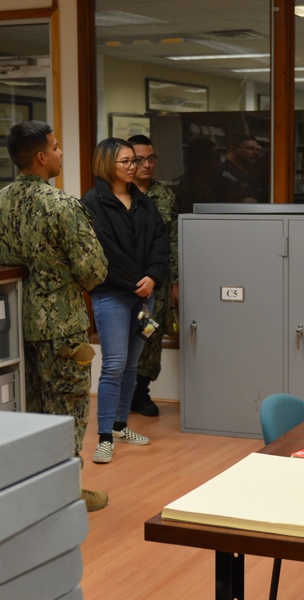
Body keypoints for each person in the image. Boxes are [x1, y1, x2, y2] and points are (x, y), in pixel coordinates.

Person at [0, 120, 110, 511]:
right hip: (60, 327)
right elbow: (94, 270)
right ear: (40, 157)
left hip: (11, 325)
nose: (59, 153)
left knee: (26, 407)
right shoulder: (63, 206)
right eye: (55, 147)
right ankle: (67, 489)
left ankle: (33, 485)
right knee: (67, 408)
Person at [81, 138, 168, 464]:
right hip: (114, 295)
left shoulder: (145, 203)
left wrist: (153, 278)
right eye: (126, 162)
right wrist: (136, 282)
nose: (134, 167)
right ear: (107, 164)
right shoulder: (92, 203)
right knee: (114, 365)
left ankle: (120, 425)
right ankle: (104, 437)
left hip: (145, 295)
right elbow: (102, 253)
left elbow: (160, 243)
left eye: (135, 160)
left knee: (133, 364)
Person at [126, 134, 178, 417]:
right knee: (125, 335)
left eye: (151, 158)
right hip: (124, 283)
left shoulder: (165, 196)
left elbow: (174, 241)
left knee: (150, 332)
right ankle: (125, 391)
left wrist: (176, 282)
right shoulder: (117, 194)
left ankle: (141, 390)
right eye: (139, 159)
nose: (147, 165)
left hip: (157, 281)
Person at [173, 137, 219, 214]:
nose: (218, 163)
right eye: (215, 158)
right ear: (202, 160)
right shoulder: (192, 190)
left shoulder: (206, 185)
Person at [216, 134, 266, 203]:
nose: (256, 153)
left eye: (257, 150)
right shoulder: (223, 173)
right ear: (232, 150)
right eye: (250, 148)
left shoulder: (250, 174)